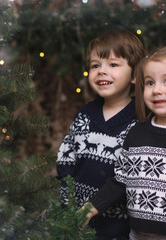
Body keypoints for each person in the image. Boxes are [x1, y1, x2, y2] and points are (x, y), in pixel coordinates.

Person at [83, 46, 166, 240]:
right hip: (136, 235)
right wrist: (91, 208)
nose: (156, 90)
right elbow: (120, 180)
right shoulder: (136, 134)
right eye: (149, 82)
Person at [56, 29, 146, 240]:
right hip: (76, 219)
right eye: (96, 65)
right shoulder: (86, 114)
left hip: (117, 226)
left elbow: (131, 176)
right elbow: (66, 157)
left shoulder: (139, 120)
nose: (102, 71)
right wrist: (67, 202)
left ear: (134, 75)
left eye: (113, 65)